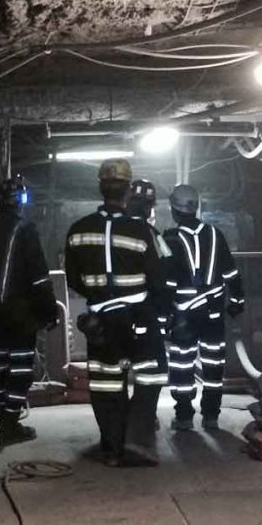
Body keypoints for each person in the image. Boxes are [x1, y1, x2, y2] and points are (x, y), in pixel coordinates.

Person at [65, 160, 169, 466]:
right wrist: (162, 311)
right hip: (139, 316)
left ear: (100, 187)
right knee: (152, 374)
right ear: (127, 191)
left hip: (100, 322)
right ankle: (137, 439)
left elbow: (73, 280)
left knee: (106, 384)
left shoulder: (78, 230)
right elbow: (158, 278)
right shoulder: (141, 231)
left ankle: (111, 448)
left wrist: (99, 297)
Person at [0, 175, 59, 445]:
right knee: (19, 371)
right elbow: (39, 277)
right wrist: (49, 311)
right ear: (22, 201)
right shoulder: (25, 230)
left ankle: (7, 421)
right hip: (20, 319)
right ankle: (9, 425)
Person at [163, 184, 245, 431]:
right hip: (213, 313)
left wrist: (163, 314)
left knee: (182, 365)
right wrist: (236, 301)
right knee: (213, 364)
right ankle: (211, 416)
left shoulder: (170, 238)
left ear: (174, 210)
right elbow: (231, 272)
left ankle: (184, 416)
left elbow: (166, 281)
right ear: (196, 207)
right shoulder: (215, 234)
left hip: (183, 315)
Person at [126, 179, 173, 341]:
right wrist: (164, 313)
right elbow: (165, 270)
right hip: (145, 310)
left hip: (114, 311)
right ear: (147, 208)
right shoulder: (151, 234)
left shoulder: (110, 230)